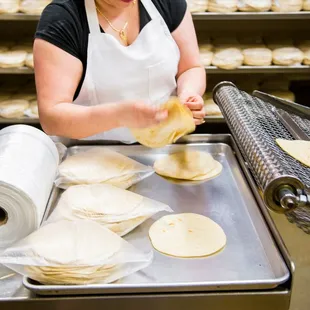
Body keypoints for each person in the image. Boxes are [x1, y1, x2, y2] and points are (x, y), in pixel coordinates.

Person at [34, 0, 206, 142]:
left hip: (166, 148)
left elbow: (191, 67)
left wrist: (188, 96)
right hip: (91, 158)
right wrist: (118, 116)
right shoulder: (63, 18)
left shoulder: (167, 3)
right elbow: (52, 118)